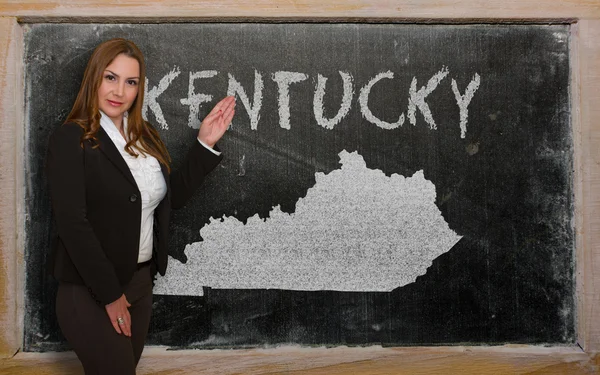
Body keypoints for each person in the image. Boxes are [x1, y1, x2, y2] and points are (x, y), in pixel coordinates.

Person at [46, 38, 235, 374]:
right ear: (94, 79)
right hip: (91, 290)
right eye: (111, 77)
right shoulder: (71, 138)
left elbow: (169, 199)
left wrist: (205, 143)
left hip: (140, 285)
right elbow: (73, 224)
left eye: (130, 82)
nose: (119, 91)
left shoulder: (145, 137)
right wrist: (109, 295)